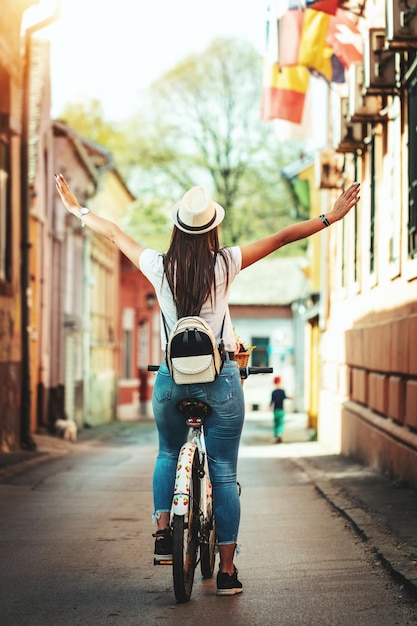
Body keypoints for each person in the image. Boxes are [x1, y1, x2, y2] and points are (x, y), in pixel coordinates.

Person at [55, 173, 360, 595]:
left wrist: (78, 210)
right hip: (221, 380)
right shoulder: (226, 263)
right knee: (223, 472)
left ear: (177, 229)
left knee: (166, 451)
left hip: (171, 379)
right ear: (212, 227)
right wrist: (331, 217)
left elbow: (115, 233)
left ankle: (164, 531)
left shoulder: (157, 265)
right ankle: (228, 573)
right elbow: (282, 237)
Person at [270, 376, 290, 443]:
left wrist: (270, 407)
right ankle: (279, 434)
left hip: (276, 410)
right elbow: (285, 397)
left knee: (276, 424)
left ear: (274, 383)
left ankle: (276, 437)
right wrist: (291, 398)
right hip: (281, 410)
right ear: (280, 382)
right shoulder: (282, 391)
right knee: (281, 423)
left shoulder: (273, 392)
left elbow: (272, 401)